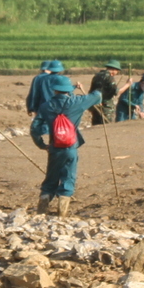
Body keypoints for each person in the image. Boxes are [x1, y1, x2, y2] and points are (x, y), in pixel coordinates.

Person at [31, 72, 102, 217]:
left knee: (51, 179)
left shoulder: (46, 106)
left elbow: (35, 129)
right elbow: (97, 96)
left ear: (54, 89)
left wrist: (41, 144)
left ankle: (42, 208)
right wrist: (77, 88)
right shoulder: (77, 102)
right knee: (68, 177)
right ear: (68, 89)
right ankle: (62, 212)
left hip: (54, 148)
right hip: (71, 147)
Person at [89, 59, 123, 125]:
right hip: (106, 108)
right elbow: (116, 92)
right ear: (114, 70)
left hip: (95, 106)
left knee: (96, 128)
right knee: (106, 126)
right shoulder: (109, 77)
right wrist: (127, 85)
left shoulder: (96, 76)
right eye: (117, 71)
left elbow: (91, 91)